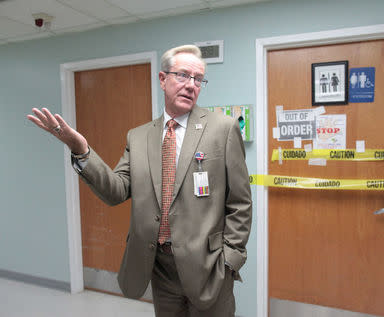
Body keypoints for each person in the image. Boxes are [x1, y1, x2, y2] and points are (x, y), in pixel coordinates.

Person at [27, 45, 252, 317]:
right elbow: (116, 190)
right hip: (160, 268)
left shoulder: (223, 128)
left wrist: (230, 259)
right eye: (182, 75)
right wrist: (81, 150)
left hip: (210, 266)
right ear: (162, 79)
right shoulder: (139, 137)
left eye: (198, 78)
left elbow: (239, 201)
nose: (191, 85)